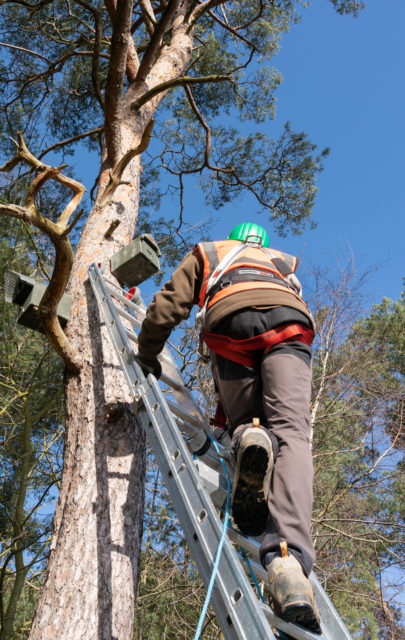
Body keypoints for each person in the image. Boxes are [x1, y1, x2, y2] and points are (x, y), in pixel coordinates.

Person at [136, 222, 321, 634]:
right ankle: (287, 562)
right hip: (290, 326)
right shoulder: (283, 265)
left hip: (230, 324)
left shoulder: (210, 251)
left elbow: (170, 304)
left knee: (247, 423)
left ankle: (248, 434)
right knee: (291, 432)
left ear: (234, 238)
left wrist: (146, 352)